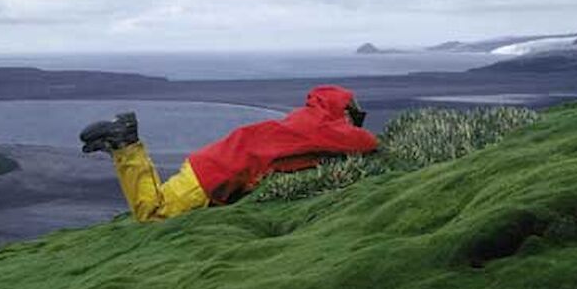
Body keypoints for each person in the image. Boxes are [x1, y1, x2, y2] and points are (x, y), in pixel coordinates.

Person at [79, 85, 378, 222]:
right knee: (153, 213)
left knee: (158, 202)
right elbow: (365, 144)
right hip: (217, 173)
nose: (354, 122)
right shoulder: (323, 126)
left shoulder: (306, 119)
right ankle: (125, 145)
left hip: (213, 164)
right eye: (353, 115)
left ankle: (122, 146)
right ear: (342, 111)